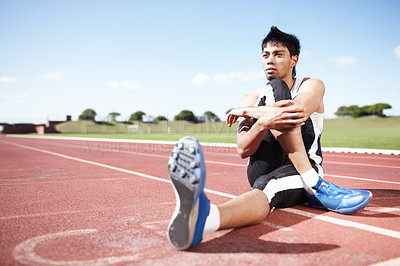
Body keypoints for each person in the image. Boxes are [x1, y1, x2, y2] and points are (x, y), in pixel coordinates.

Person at [167, 26, 372, 251]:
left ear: (294, 60)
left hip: (301, 168)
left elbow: (296, 112)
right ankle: (314, 185)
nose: (270, 60)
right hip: (261, 166)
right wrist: (263, 123)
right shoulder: (250, 97)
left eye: (278, 54)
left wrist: (249, 112)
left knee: (269, 187)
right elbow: (243, 149)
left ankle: (206, 219)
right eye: (265, 55)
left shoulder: (311, 85)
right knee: (273, 91)